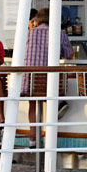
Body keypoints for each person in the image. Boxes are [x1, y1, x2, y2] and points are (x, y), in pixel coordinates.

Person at [21, 8, 72, 148]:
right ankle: (58, 107)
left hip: (29, 83)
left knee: (32, 104)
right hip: (49, 83)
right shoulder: (60, 34)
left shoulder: (28, 33)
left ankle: (32, 141)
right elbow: (69, 55)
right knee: (51, 98)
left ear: (38, 20)